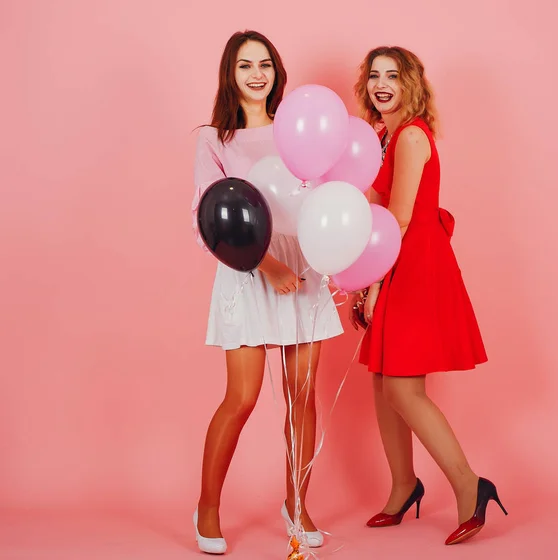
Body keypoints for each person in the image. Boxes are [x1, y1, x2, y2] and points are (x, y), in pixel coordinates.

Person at [190, 31, 343, 554]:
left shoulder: (295, 132)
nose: (257, 74)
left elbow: (323, 200)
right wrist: (268, 265)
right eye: (244, 65)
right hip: (247, 268)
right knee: (243, 397)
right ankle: (206, 506)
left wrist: (331, 255)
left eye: (265, 64)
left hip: (304, 267)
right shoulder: (214, 138)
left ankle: (297, 505)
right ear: (229, 75)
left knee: (303, 397)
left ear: (277, 72)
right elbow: (204, 221)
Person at [349, 46, 507, 545]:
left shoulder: (411, 136)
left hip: (412, 263)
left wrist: (372, 285)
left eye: (392, 75)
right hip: (394, 260)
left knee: (402, 387)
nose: (381, 83)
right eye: (374, 75)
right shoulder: (383, 135)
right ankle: (403, 486)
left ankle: (469, 484)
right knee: (381, 381)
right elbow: (369, 210)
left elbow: (395, 219)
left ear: (411, 83)